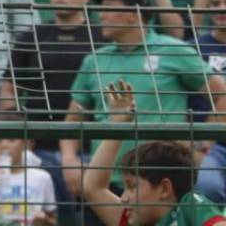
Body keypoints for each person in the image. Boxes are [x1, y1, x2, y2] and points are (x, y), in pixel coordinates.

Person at [65, 0, 226, 196]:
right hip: (105, 182)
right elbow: (72, 119)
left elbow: (222, 95)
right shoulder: (94, 60)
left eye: (110, 8)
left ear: (134, 14)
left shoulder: (174, 50)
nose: (101, 15)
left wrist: (203, 143)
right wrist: (69, 159)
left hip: (163, 184)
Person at [0, 0, 99, 222]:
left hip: (89, 146)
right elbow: (9, 85)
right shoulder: (32, 36)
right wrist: (15, 128)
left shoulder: (101, 37)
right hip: (38, 147)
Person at [84, 82, 226, 226]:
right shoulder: (133, 220)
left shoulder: (189, 208)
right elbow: (93, 187)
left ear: (165, 188)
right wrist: (116, 125)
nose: (123, 198)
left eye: (132, 187)